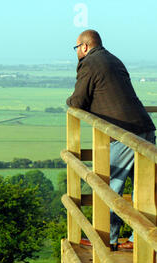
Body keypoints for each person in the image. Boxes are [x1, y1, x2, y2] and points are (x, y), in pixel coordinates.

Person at [66, 30, 156, 251]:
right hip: (144, 127)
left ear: (85, 47)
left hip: (123, 132)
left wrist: (68, 100)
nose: (77, 52)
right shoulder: (114, 59)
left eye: (76, 48)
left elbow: (78, 100)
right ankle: (139, 239)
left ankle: (108, 239)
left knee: (107, 185)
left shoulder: (89, 63)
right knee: (144, 189)